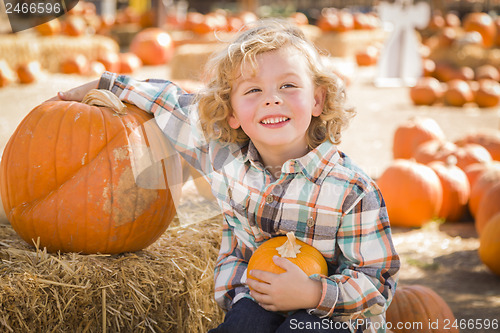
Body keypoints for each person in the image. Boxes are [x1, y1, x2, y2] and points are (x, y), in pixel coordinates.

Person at [57, 19, 400, 333]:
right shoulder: (226, 160)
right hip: (257, 303)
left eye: (289, 85)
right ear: (232, 113)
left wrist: (312, 293)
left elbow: (378, 283)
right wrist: (108, 84)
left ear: (318, 100)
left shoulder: (351, 189)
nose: (272, 99)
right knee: (246, 321)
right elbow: (172, 103)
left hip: (334, 317)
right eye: (253, 91)